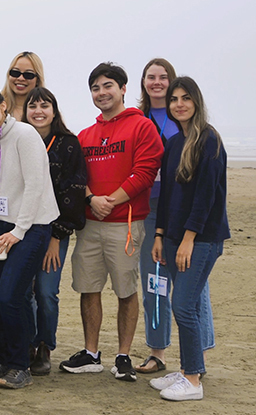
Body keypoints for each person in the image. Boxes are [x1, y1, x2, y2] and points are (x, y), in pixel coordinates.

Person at [59, 63, 163, 383]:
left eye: (108, 86)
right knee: (88, 289)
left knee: (125, 290)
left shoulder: (141, 126)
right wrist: (91, 199)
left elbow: (144, 172)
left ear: (122, 89)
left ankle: (123, 356)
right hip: (90, 224)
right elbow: (77, 175)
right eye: (95, 88)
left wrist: (111, 201)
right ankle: (91, 354)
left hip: (126, 224)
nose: (102, 93)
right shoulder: (85, 135)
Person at [0, 86, 58, 389]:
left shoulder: (26, 134)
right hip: (0, 225)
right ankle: (1, 358)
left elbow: (34, 186)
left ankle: (21, 364)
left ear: (3, 105)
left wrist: (18, 232)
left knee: (10, 296)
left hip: (32, 227)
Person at [148, 77, 229, 401]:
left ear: (196, 101)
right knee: (185, 304)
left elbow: (206, 197)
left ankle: (193, 379)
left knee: (183, 306)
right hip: (172, 237)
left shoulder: (209, 141)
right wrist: (159, 235)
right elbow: (167, 195)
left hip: (201, 239)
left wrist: (188, 239)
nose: (179, 104)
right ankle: (187, 369)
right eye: (174, 99)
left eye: (186, 98)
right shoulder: (174, 143)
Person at [135, 59, 214, 374]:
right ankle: (158, 352)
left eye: (163, 77)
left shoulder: (188, 124)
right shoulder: (137, 118)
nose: (157, 82)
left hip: (185, 214)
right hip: (151, 211)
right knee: (155, 282)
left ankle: (199, 356)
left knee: (194, 286)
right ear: (143, 82)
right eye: (151, 77)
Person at [20, 87, 87, 375]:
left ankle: (45, 344)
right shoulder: (18, 140)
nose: (38, 111)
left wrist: (56, 237)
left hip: (54, 232)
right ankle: (27, 345)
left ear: (54, 110)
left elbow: (73, 191)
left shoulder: (68, 144)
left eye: (44, 105)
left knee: (46, 292)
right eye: (32, 106)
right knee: (23, 291)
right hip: (21, 229)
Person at [1, 51, 46, 123]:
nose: (21, 78)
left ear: (38, 79)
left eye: (28, 75)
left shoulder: (46, 112)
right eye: (15, 73)